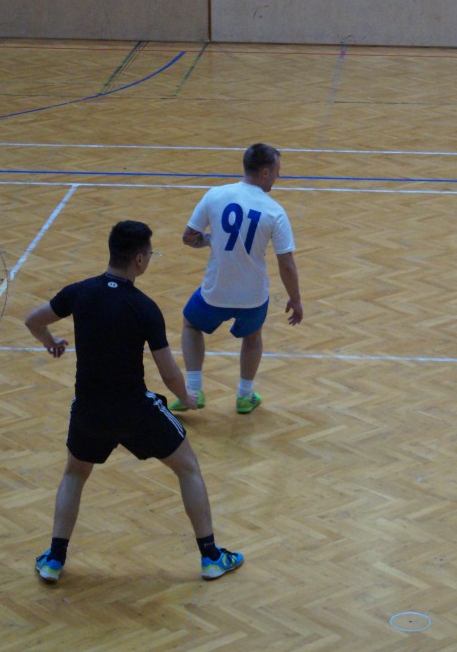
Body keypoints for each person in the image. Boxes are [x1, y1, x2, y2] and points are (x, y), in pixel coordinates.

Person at [24, 220, 243, 583]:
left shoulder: (79, 293)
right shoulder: (144, 307)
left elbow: (33, 320)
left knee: (74, 473)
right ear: (139, 260)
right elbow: (168, 372)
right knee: (188, 467)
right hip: (135, 412)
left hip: (89, 410)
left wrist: (50, 341)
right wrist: (185, 397)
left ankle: (53, 559)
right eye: (150, 254)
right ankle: (211, 557)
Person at [169, 143, 303, 414]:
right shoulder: (275, 211)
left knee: (191, 325)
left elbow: (188, 237)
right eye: (278, 170)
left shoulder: (215, 195)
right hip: (253, 298)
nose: (279, 175)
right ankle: (244, 395)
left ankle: (193, 390)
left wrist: (211, 239)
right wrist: (296, 299)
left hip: (215, 293)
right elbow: (286, 263)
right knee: (252, 336)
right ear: (265, 172)